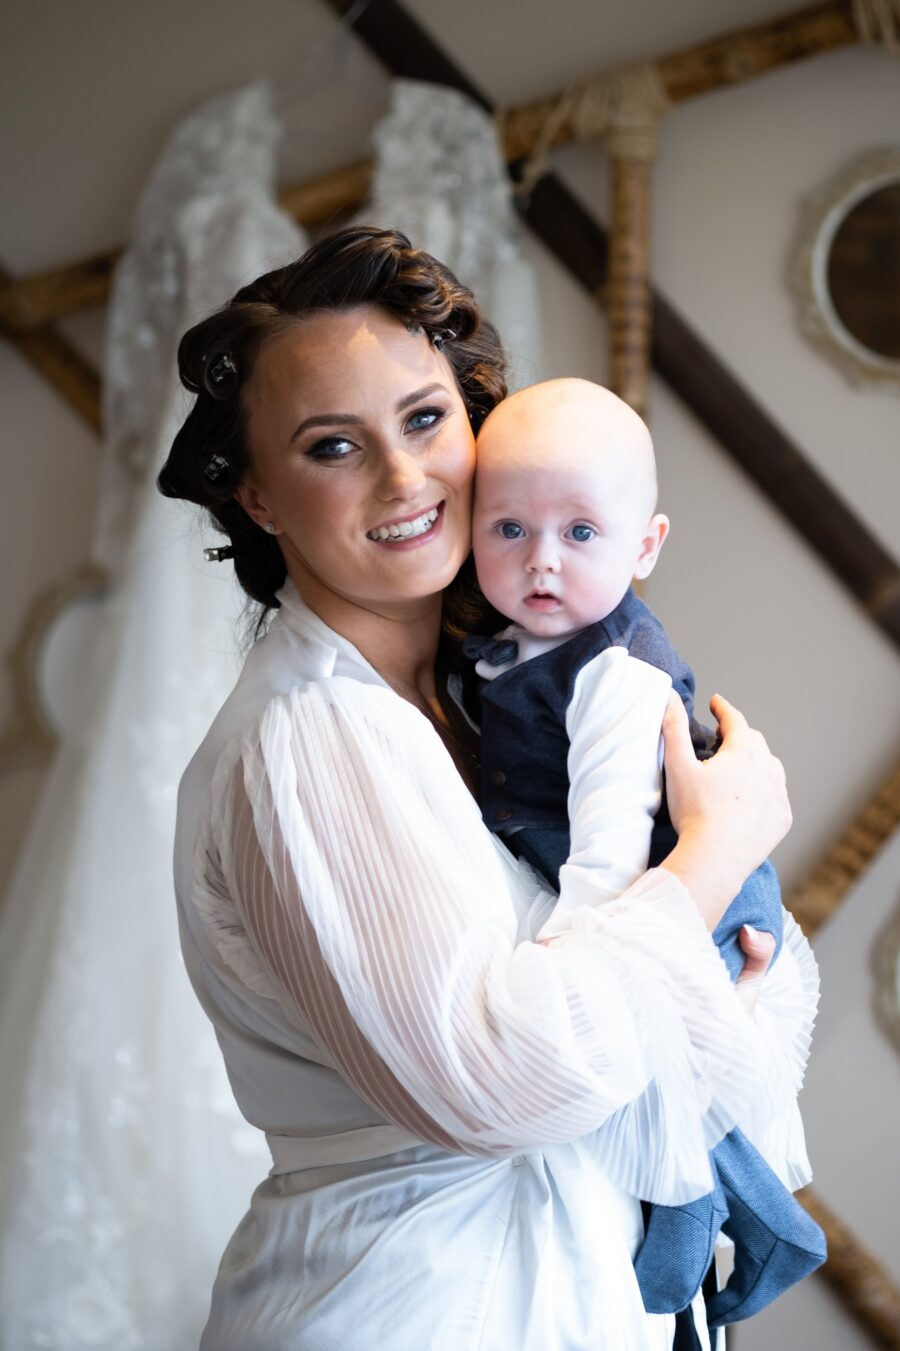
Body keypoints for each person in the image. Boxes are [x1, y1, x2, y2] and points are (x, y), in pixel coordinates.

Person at [158, 226, 817, 1351]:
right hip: (417, 1305)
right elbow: (502, 1083)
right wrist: (715, 851)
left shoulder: (491, 688)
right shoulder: (305, 738)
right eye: (332, 446)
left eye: (423, 419)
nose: (404, 478)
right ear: (260, 496)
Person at [464, 378, 826, 1332]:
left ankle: (731, 1220)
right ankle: (740, 1217)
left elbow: (612, 851)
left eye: (581, 533)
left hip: (686, 892)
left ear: (645, 545)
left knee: (666, 1077)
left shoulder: (617, 674)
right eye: (508, 529)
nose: (541, 560)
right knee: (659, 1077)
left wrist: (567, 968)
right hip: (660, 885)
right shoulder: (515, 643)